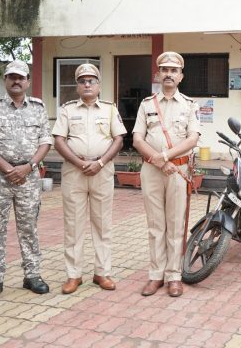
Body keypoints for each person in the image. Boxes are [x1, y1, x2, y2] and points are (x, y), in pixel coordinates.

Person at [0, 60, 52, 303]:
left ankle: (32, 275)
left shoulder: (38, 108)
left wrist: (28, 167)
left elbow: (45, 142)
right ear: (5, 80)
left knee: (29, 227)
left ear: (27, 81)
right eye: (12, 77)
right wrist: (9, 169)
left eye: (21, 77)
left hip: (28, 178)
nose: (16, 81)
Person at [52, 63, 126, 294]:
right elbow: (59, 140)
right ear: (77, 86)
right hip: (74, 172)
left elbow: (119, 139)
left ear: (98, 85)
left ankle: (102, 272)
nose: (87, 84)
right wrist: (79, 162)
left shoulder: (110, 109)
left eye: (91, 81)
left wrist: (100, 162)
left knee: (102, 224)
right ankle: (74, 275)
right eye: (82, 81)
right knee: (73, 225)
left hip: (102, 172)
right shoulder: (67, 110)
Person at [133, 51, 199, 298]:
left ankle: (174, 276)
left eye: (174, 70)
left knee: (175, 225)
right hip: (152, 170)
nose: (169, 74)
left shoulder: (189, 105)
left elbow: (192, 139)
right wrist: (159, 162)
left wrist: (165, 157)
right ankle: (156, 275)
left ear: (181, 76)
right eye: (165, 70)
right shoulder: (146, 104)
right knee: (155, 225)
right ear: (158, 75)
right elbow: (137, 139)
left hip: (178, 171)